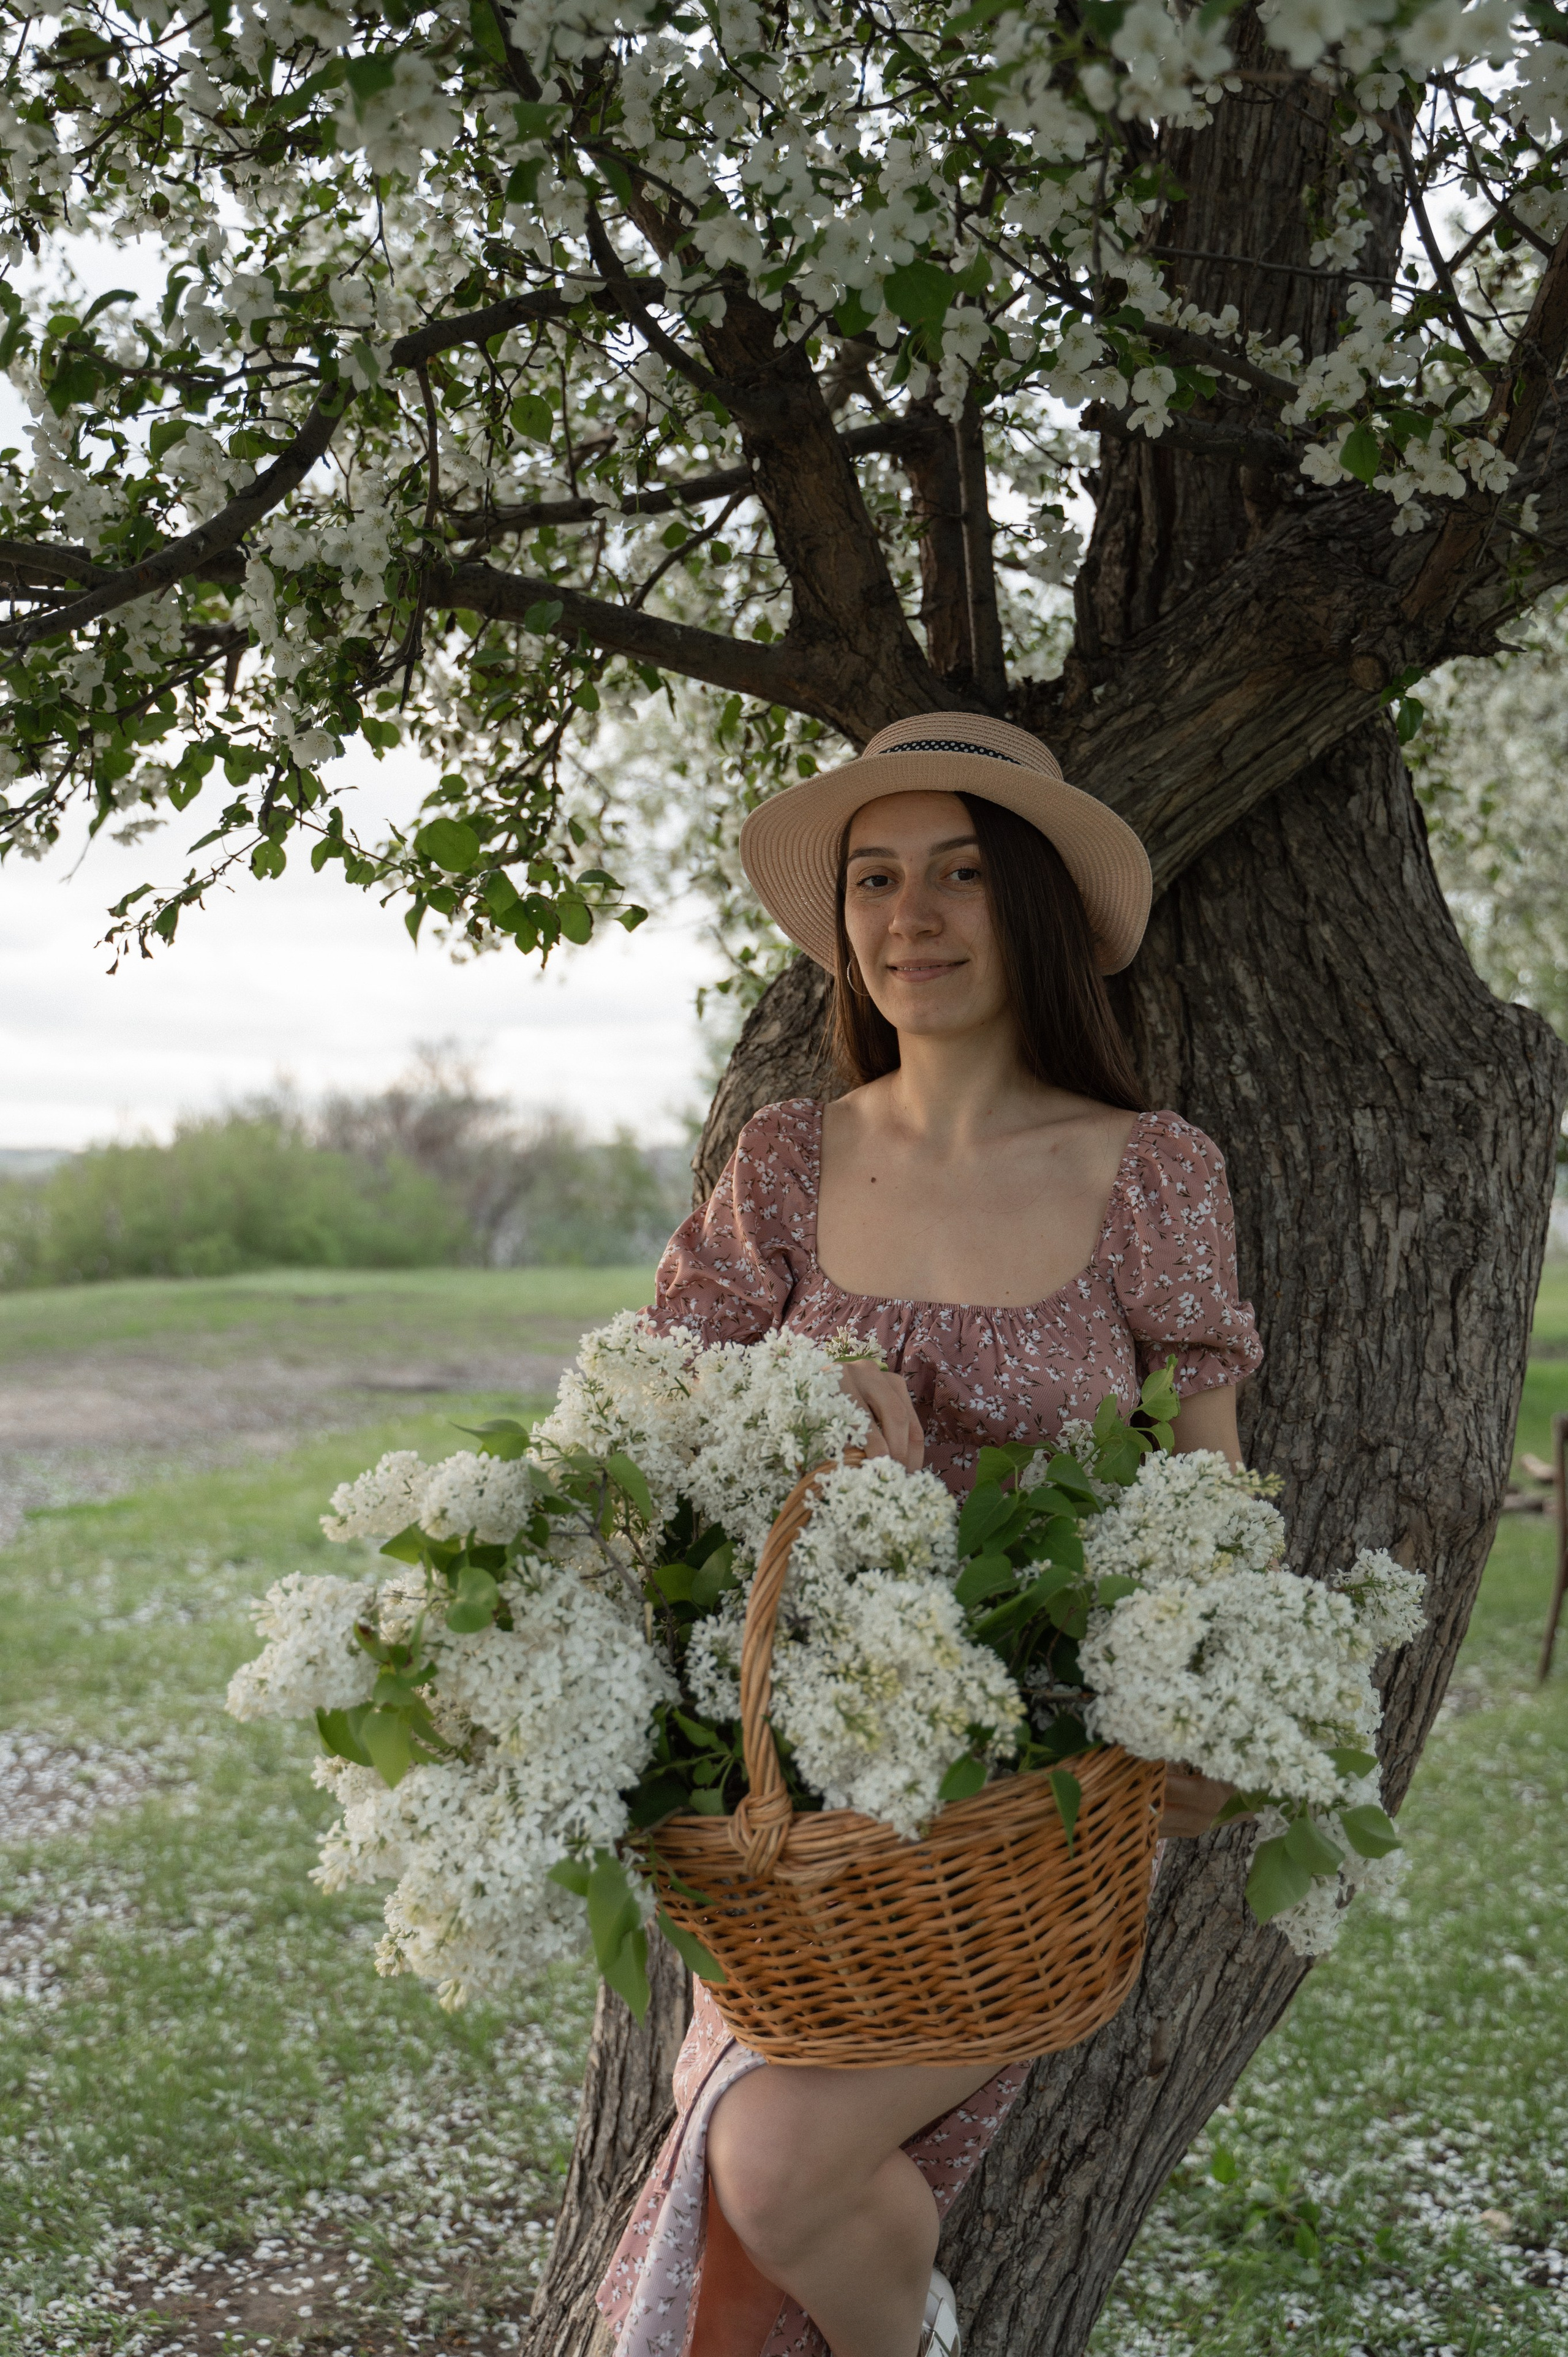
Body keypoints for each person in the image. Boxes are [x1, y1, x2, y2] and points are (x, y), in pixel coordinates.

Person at [596, 712, 1263, 2357]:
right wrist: (810, 1419)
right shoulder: (785, 1161)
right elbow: (643, 1431)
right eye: (876, 879)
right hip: (798, 1798)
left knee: (780, 2163)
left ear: (1032, 905)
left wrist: (1219, 1716)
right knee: (769, 2187)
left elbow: (1209, 1492)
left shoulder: (1151, 1174)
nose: (913, 917)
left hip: (1027, 1815)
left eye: (961, 874)